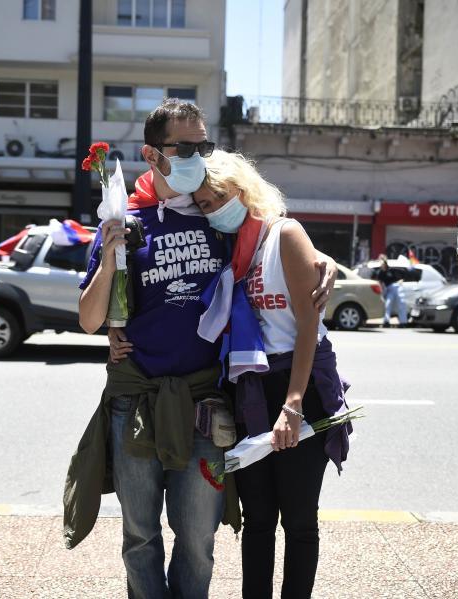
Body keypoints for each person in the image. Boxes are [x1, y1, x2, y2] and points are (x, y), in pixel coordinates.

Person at [69, 99, 337, 599]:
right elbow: (88, 318)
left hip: (207, 403)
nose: (199, 156)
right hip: (136, 402)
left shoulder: (214, 214)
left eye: (205, 145)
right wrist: (110, 254)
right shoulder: (126, 218)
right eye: (186, 147)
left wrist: (325, 261)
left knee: (197, 540)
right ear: (152, 154)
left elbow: (274, 234)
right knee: (140, 536)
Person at [192, 150, 352, 599]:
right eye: (202, 205)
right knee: (258, 518)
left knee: (299, 518)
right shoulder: (228, 249)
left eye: (214, 201)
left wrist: (293, 404)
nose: (210, 211)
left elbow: (308, 328)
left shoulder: (284, 234)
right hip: (251, 389)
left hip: (299, 387)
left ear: (241, 192)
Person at [375, 254, 407, 327]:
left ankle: (403, 322)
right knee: (387, 305)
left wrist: (401, 280)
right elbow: (379, 282)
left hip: (397, 287)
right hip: (389, 289)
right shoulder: (380, 273)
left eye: (383, 262)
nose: (382, 264)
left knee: (401, 304)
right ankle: (386, 322)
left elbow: (402, 274)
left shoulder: (391, 269)